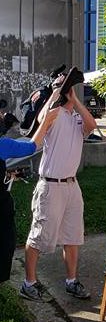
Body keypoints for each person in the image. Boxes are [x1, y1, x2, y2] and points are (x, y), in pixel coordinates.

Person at [20, 82, 97, 301]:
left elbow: (91, 125)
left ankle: (71, 281)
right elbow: (40, 119)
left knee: (72, 237)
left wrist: (76, 100)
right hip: (50, 185)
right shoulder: (55, 113)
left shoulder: (78, 118)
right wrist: (55, 93)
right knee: (38, 236)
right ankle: (29, 283)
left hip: (72, 186)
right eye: (69, 89)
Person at [0, 107, 59, 284]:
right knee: (3, 247)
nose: (3, 116)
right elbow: (31, 147)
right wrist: (47, 120)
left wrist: (7, 174)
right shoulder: (2, 144)